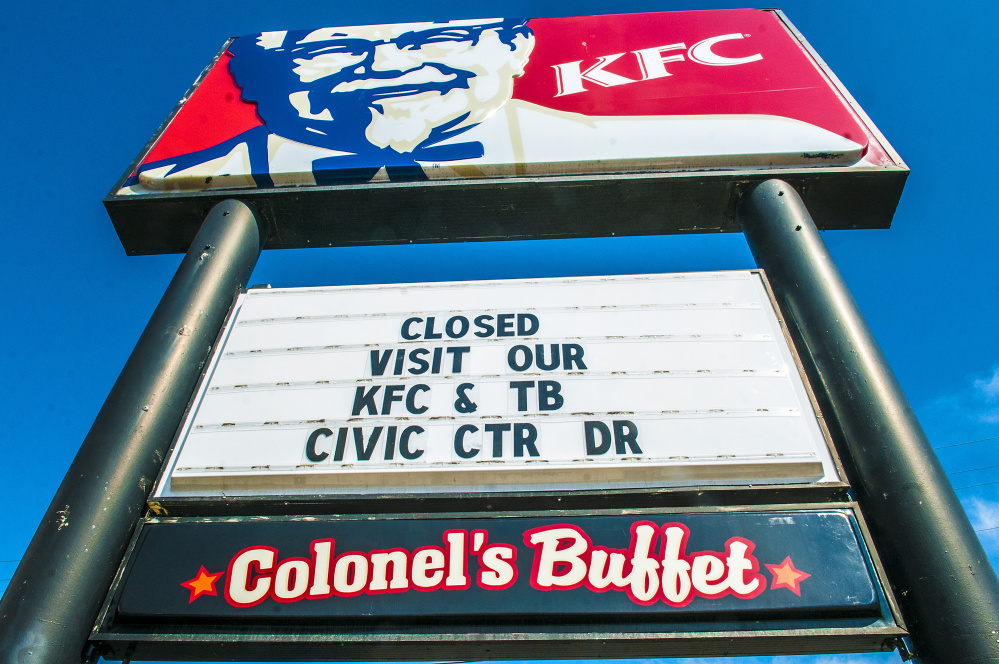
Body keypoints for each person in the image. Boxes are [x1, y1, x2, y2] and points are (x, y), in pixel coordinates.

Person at [128, 18, 535, 188]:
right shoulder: (194, 174)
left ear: (516, 49)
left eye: (439, 41)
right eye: (330, 52)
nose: (386, 65)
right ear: (254, 81)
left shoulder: (594, 140)